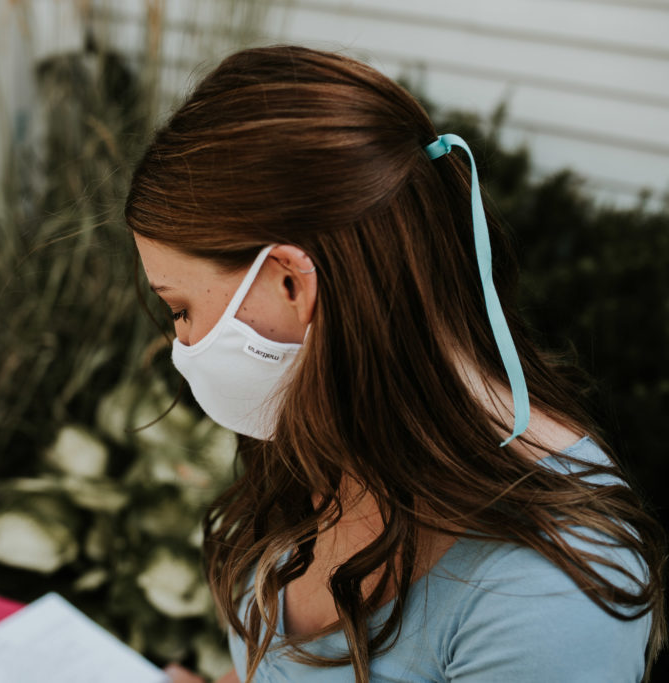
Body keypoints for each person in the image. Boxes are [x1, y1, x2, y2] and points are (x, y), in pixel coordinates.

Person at [124, 46, 665, 683]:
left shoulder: (545, 591)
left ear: (290, 284)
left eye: (181, 308)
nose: (180, 342)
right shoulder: (328, 434)